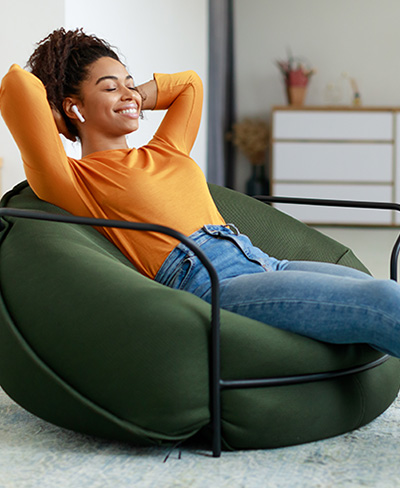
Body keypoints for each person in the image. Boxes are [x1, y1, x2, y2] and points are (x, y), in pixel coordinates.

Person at [1, 28, 400, 357]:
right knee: (383, 301)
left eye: (130, 83)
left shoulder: (165, 149)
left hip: (263, 261)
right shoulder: (72, 180)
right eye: (110, 88)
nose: (129, 95)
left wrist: (131, 95)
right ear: (74, 108)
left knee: (387, 292)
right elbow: (17, 86)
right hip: (211, 284)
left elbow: (190, 84)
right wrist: (62, 115)